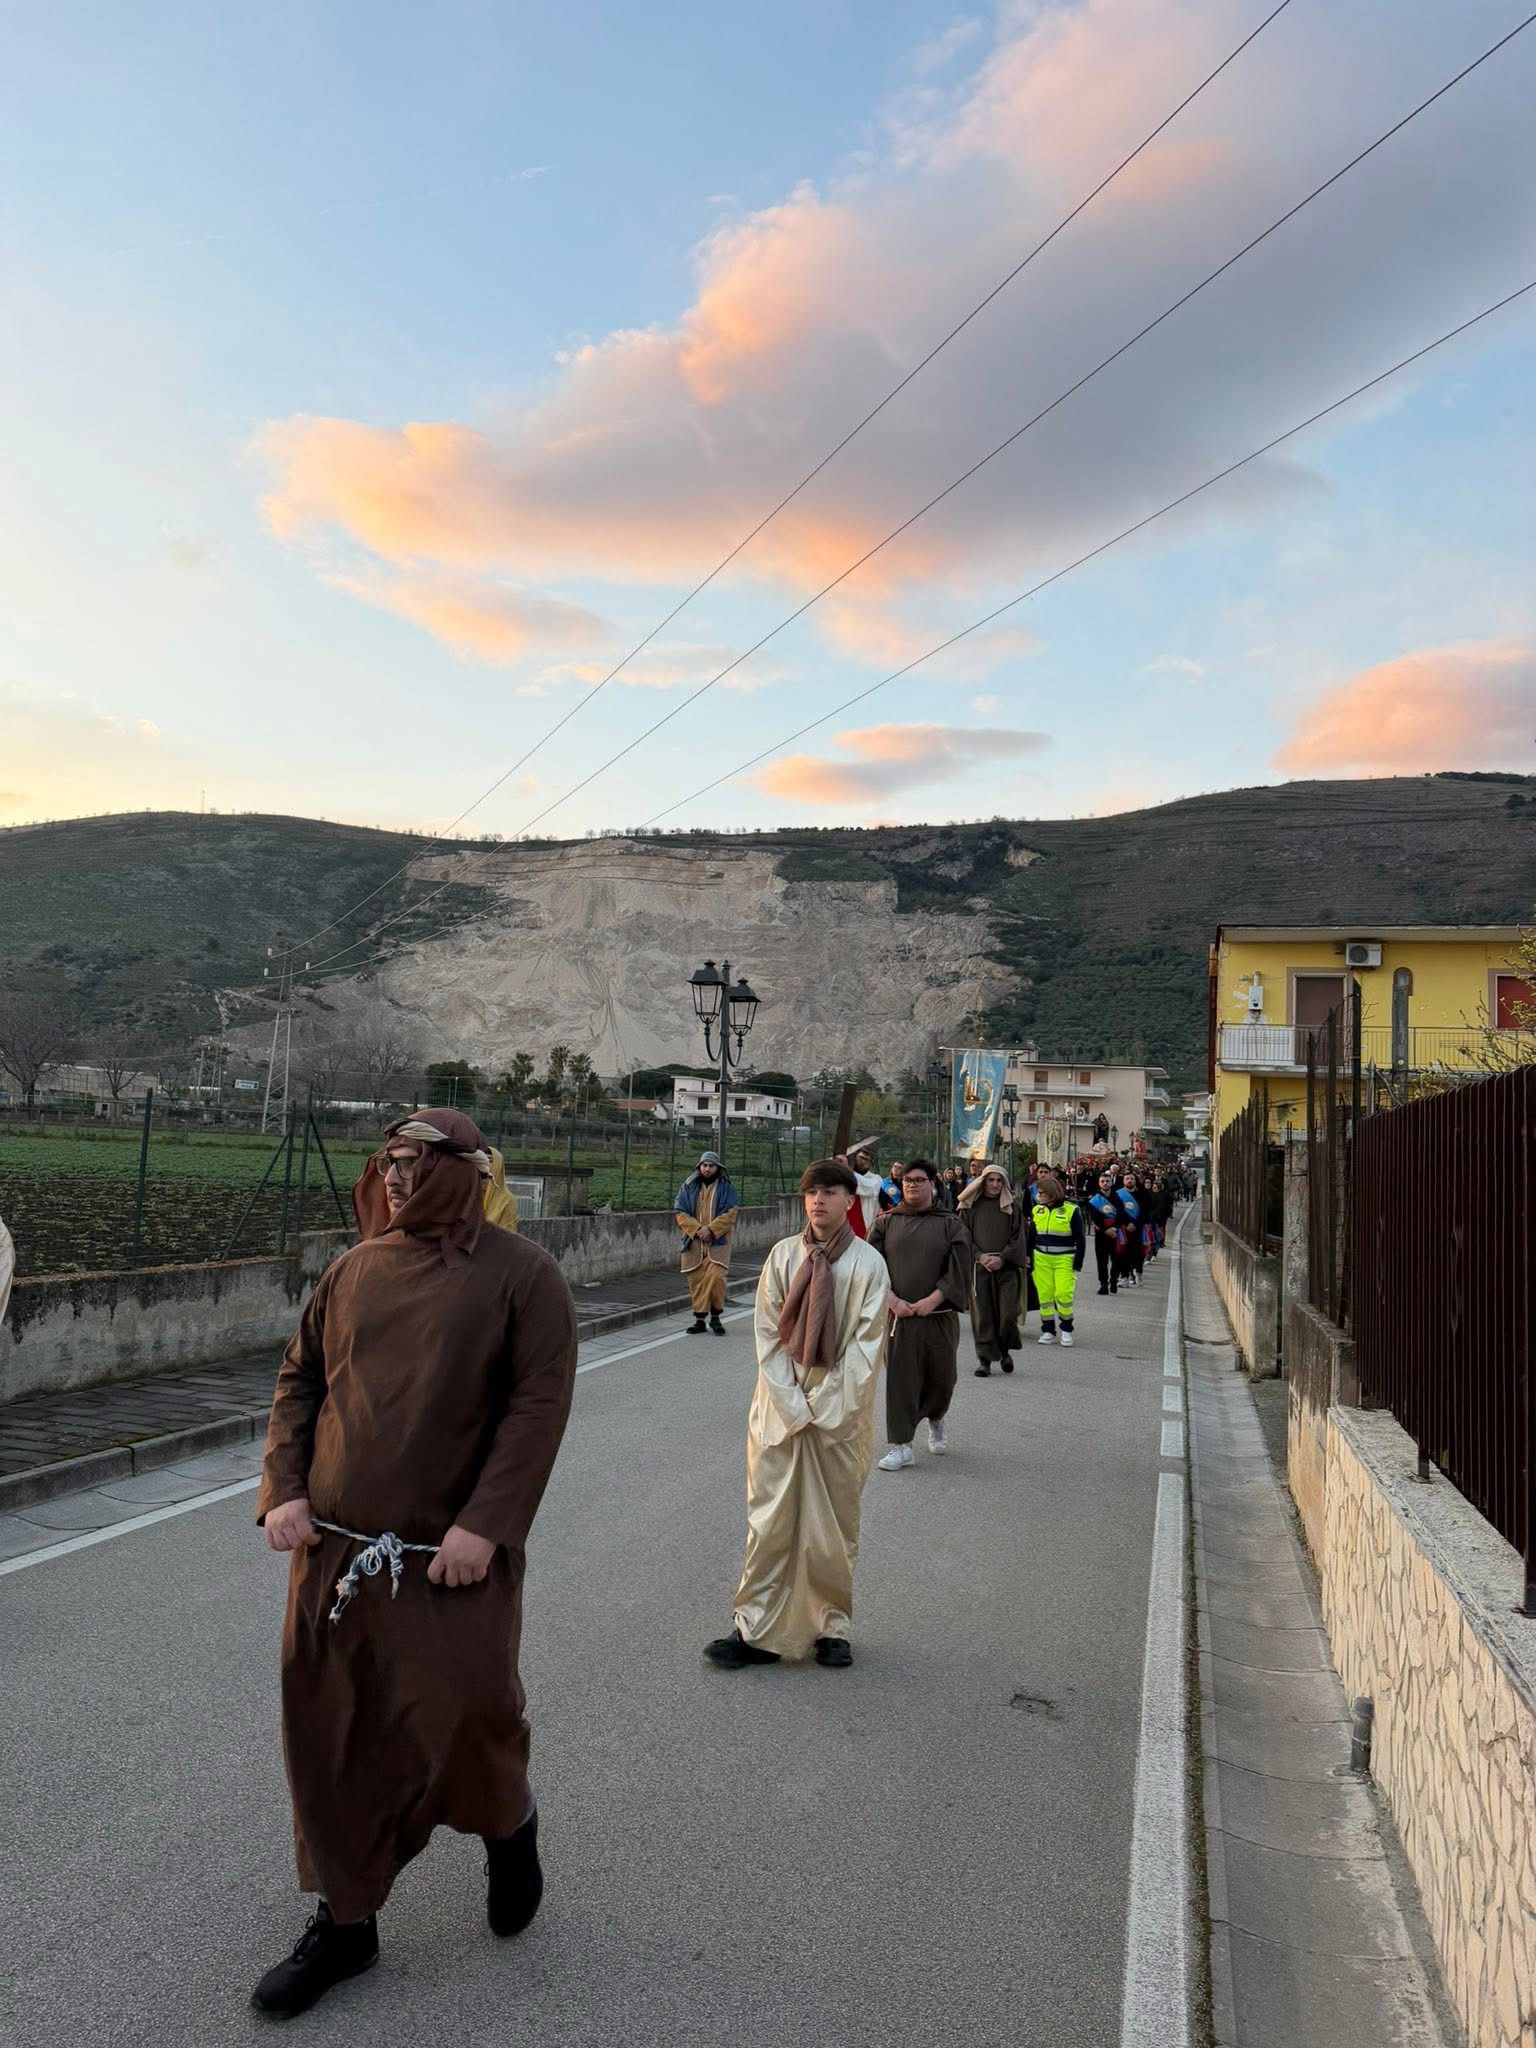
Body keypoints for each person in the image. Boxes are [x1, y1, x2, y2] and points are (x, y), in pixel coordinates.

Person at [252, 1107, 577, 2021]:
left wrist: (488, 1526)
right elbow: (300, 1379)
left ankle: (510, 1827)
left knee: (470, 1716)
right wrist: (284, 1487)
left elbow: (537, 1409)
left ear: (466, 1170)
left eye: (412, 1161)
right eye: (386, 1161)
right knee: (334, 1726)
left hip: (451, 1559)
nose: (392, 1177)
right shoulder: (352, 1269)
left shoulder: (525, 1278)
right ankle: (346, 1923)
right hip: (337, 1556)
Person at [704, 1160, 890, 1672]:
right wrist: (792, 1403)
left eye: (830, 1192)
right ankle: (754, 1627)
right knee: (769, 1522)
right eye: (811, 1192)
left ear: (850, 1201)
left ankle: (832, 1626)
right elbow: (767, 1336)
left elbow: (865, 1348)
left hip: (840, 1416)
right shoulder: (783, 1257)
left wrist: (825, 1407)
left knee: (831, 1526)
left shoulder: (869, 1265)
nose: (818, 1201)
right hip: (780, 1410)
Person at [870, 1159, 972, 1468]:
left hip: (938, 1317)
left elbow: (960, 1269)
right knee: (901, 1381)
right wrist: (891, 1300)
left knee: (942, 1379)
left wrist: (933, 1299)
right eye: (907, 1181)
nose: (912, 1184)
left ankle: (936, 1417)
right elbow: (870, 1268)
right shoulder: (885, 1222)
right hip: (898, 1319)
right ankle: (901, 1445)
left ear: (932, 1184)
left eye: (918, 1179)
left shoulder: (950, 1223)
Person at [957, 1166, 1027, 1376]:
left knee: (1007, 1313)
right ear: (983, 1182)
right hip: (980, 1268)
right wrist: (980, 1256)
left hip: (1006, 1267)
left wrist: (1002, 1258)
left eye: (999, 1180)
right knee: (983, 1315)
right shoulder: (969, 1207)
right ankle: (985, 1360)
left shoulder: (1012, 1207)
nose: (995, 1184)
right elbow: (963, 1236)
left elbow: (1018, 1237)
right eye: (991, 1180)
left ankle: (1005, 1351)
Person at [675, 1150, 741, 1334]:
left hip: (717, 1242)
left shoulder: (726, 1187)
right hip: (694, 1242)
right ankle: (700, 1320)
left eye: (711, 1166)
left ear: (717, 1168)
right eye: (704, 1165)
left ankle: (716, 1317)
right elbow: (680, 1213)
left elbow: (731, 1213)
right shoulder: (688, 1187)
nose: (707, 1169)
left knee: (716, 1277)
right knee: (696, 1279)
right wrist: (697, 1229)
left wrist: (711, 1229)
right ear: (699, 1167)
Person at [1030, 1169, 1086, 1347]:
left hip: (1064, 1259)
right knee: (1045, 1297)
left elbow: (1080, 1239)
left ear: (1051, 1193)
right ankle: (1047, 1330)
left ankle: (1067, 1329)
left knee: (1063, 1295)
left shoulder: (1071, 1210)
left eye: (1042, 1193)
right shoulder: (1037, 1210)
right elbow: (1031, 1237)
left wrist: (1078, 1263)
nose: (1039, 1196)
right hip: (1041, 1260)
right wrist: (1027, 1257)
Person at [1086, 1170, 1127, 1296]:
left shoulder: (1117, 1198)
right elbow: (1094, 1217)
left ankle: (1113, 1280)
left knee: (1117, 1259)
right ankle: (1103, 1284)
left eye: (1107, 1181)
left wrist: (1115, 1228)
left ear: (1111, 1183)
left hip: (1115, 1233)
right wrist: (1105, 1230)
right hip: (1101, 1234)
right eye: (1102, 1181)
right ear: (1099, 1183)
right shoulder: (1094, 1199)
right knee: (1102, 1261)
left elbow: (1121, 1215)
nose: (1105, 1183)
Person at [847, 1143, 885, 1235]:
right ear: (855, 1158)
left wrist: (845, 1169)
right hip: (843, 1224)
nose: (863, 1161)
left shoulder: (876, 1179)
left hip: (863, 1228)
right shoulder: (845, 1176)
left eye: (867, 1160)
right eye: (861, 1158)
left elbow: (867, 1187)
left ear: (871, 1163)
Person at [1118, 1171, 1147, 1287]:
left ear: (1135, 1181)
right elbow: (1118, 1211)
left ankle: (1138, 1272)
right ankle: (1124, 1277)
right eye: (1127, 1178)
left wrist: (1135, 1223)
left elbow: (1144, 1211)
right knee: (1124, 1253)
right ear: (1123, 1181)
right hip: (1124, 1228)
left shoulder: (1141, 1195)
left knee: (1138, 1253)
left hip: (1138, 1228)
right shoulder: (1118, 1195)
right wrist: (1126, 1223)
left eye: (1132, 1179)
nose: (1129, 1180)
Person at [484, 1147, 520, 1232]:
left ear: (498, 1165)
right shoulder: (467, 1196)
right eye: (481, 1158)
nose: (484, 1163)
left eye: (489, 1160)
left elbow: (508, 1235)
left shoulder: (507, 1201)